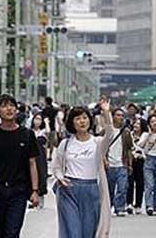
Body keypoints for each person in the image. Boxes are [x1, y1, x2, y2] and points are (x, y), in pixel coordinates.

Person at [0, 94, 40, 237]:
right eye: (4, 106)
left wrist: (35, 190)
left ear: (17, 110)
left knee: (12, 233)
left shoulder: (27, 135)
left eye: (12, 105)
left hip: (18, 191)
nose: (9, 109)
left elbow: (32, 164)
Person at [52, 102, 113, 238]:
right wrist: (60, 178)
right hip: (69, 190)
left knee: (88, 233)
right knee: (73, 232)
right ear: (72, 123)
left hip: (91, 190)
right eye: (78, 118)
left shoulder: (97, 143)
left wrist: (107, 113)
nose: (82, 121)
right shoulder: (65, 144)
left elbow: (109, 134)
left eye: (85, 118)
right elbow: (57, 167)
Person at [106, 108, 133, 217]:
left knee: (122, 187)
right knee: (110, 188)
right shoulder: (107, 131)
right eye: (118, 115)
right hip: (110, 164)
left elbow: (129, 149)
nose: (120, 117)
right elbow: (101, 148)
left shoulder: (126, 132)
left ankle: (120, 207)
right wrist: (104, 160)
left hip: (122, 163)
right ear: (113, 117)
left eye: (122, 115)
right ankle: (110, 206)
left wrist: (130, 164)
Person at [126, 120, 146, 215]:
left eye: (138, 123)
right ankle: (129, 203)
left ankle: (138, 204)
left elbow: (141, 146)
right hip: (131, 159)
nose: (136, 125)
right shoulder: (129, 134)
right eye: (135, 123)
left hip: (141, 160)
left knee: (140, 182)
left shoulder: (145, 135)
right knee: (129, 181)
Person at [30, 113, 49, 208]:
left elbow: (48, 132)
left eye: (39, 119)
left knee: (41, 175)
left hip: (40, 157)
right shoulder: (29, 131)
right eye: (36, 118)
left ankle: (41, 199)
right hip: (30, 156)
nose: (37, 121)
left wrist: (46, 122)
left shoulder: (43, 132)